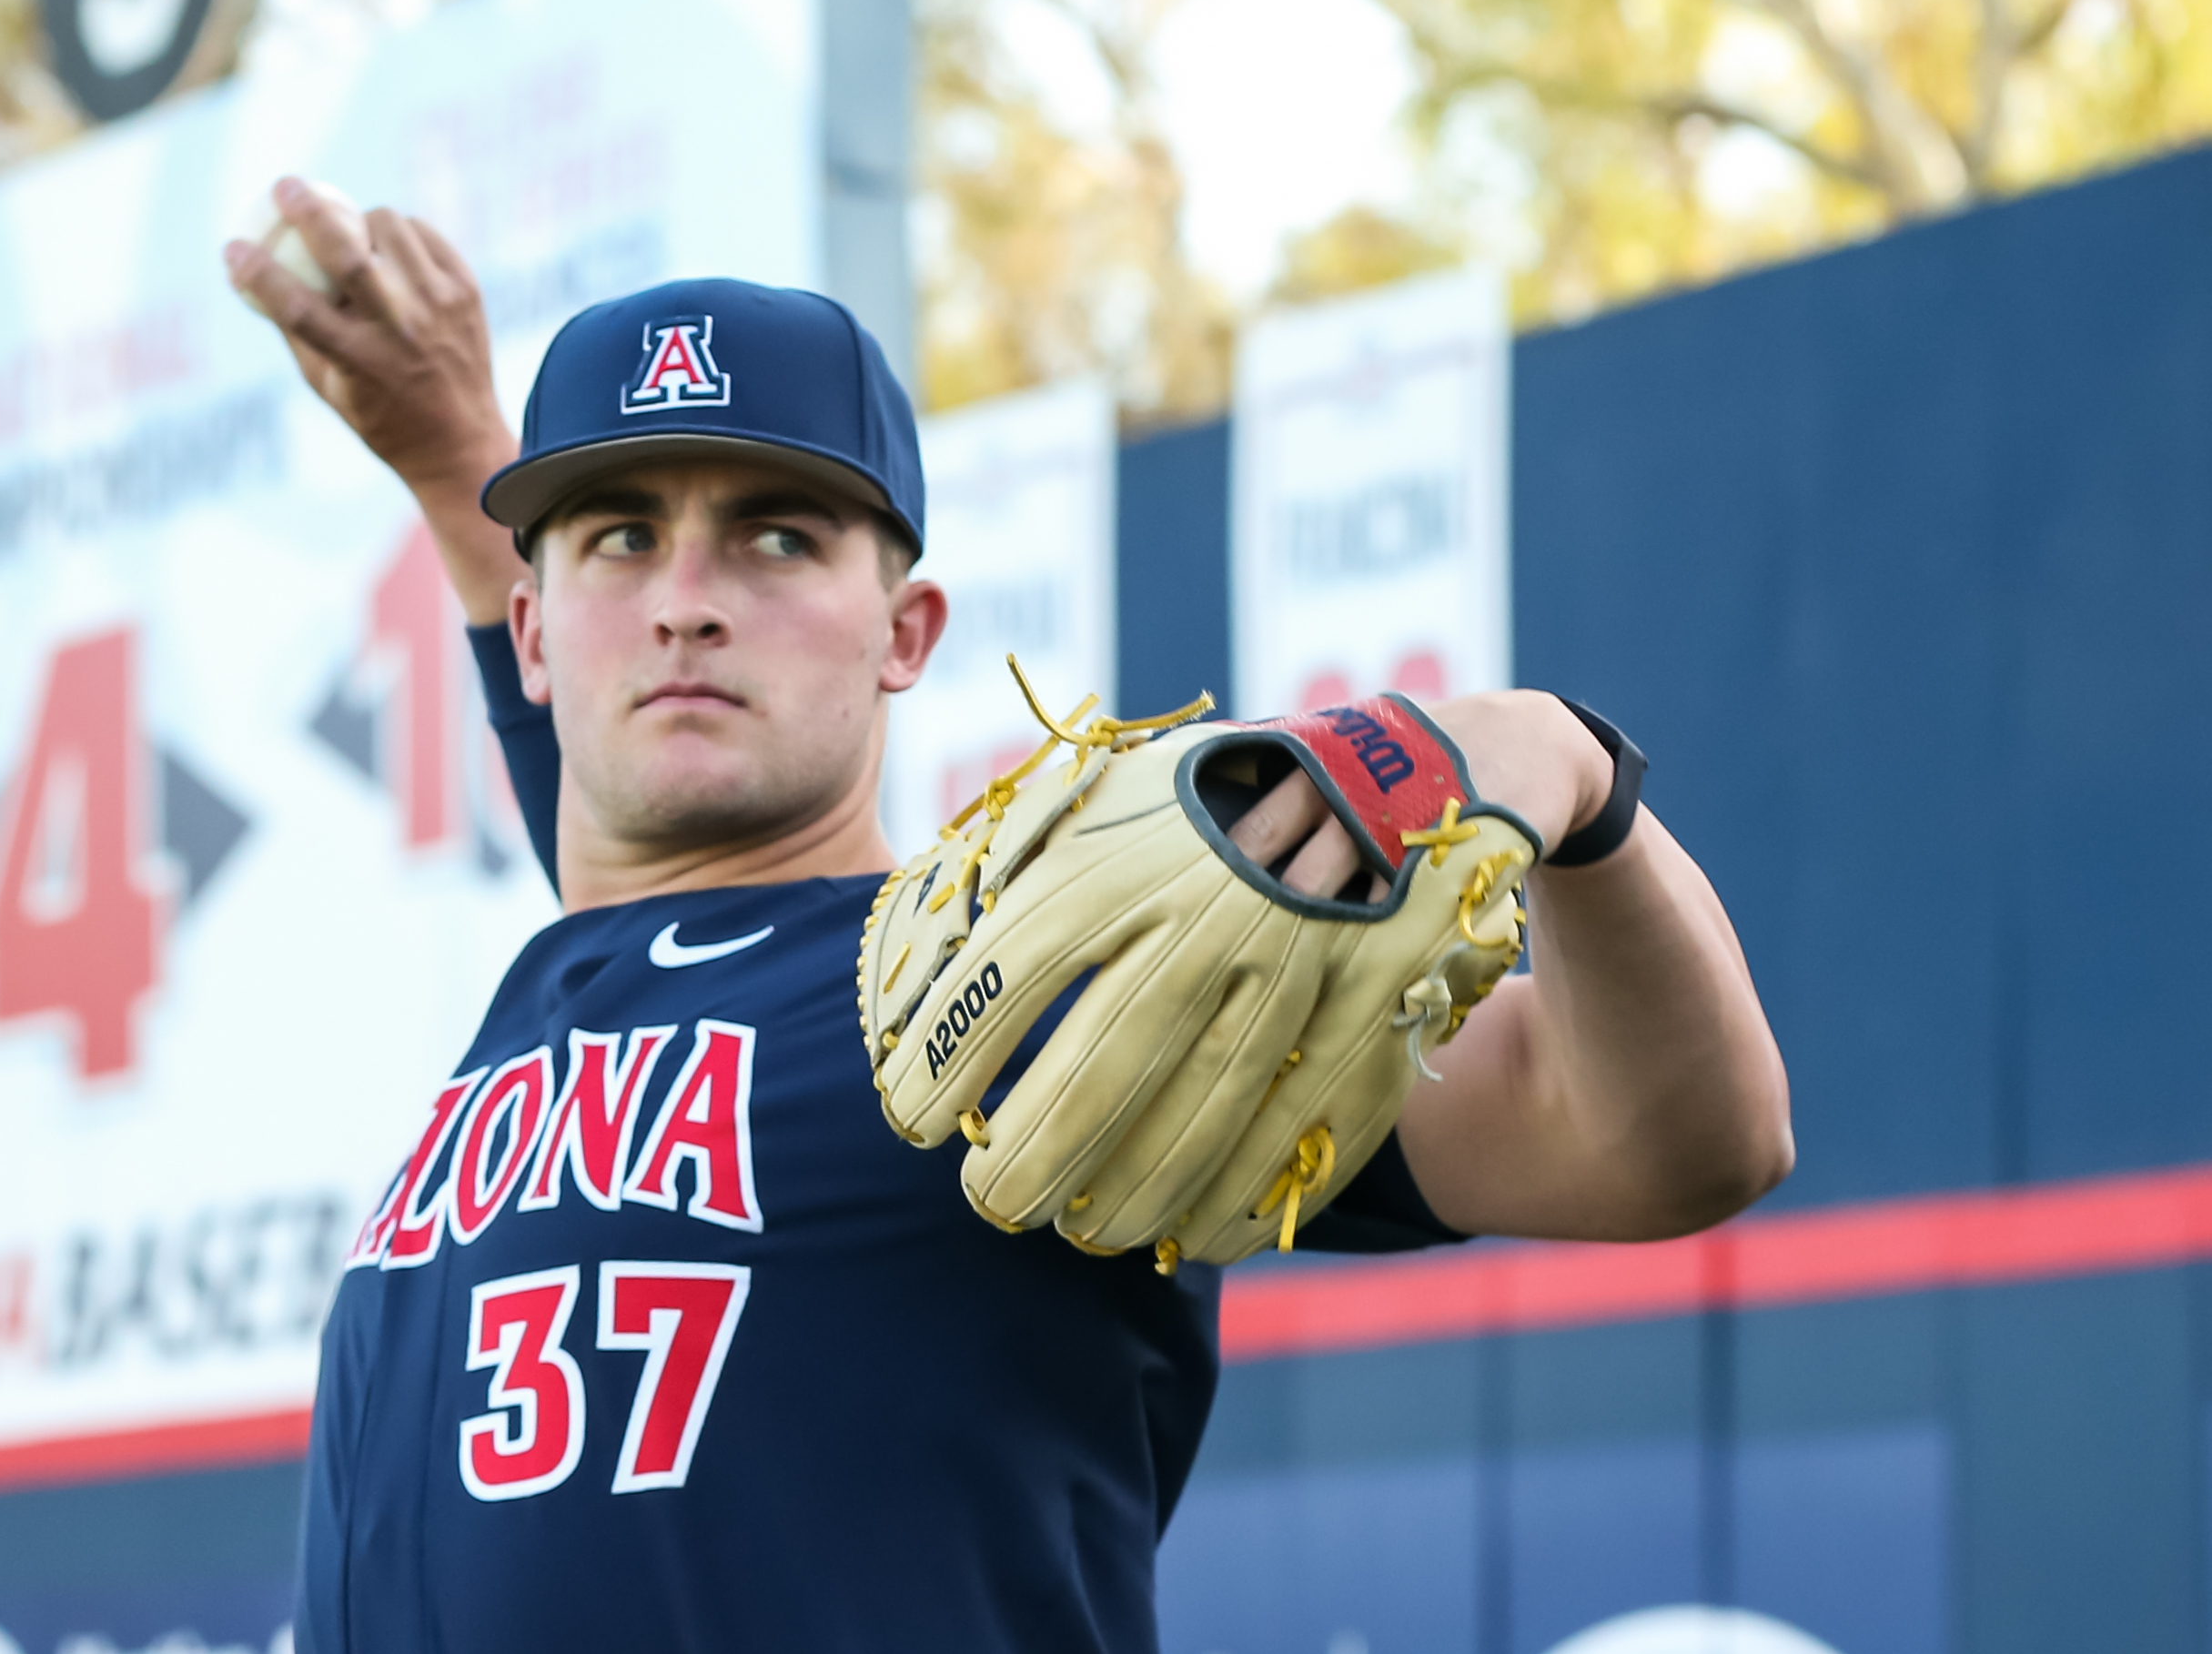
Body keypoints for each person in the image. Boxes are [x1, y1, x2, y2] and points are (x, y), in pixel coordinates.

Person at [224, 182, 1793, 1653]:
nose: (684, 596)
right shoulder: (599, 953)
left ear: (906, 631)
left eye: (778, 535)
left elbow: (1672, 1141)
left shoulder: (1013, 989)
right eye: (620, 534)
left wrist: (1579, 782)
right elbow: (626, 799)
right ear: (535, 629)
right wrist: (451, 454)